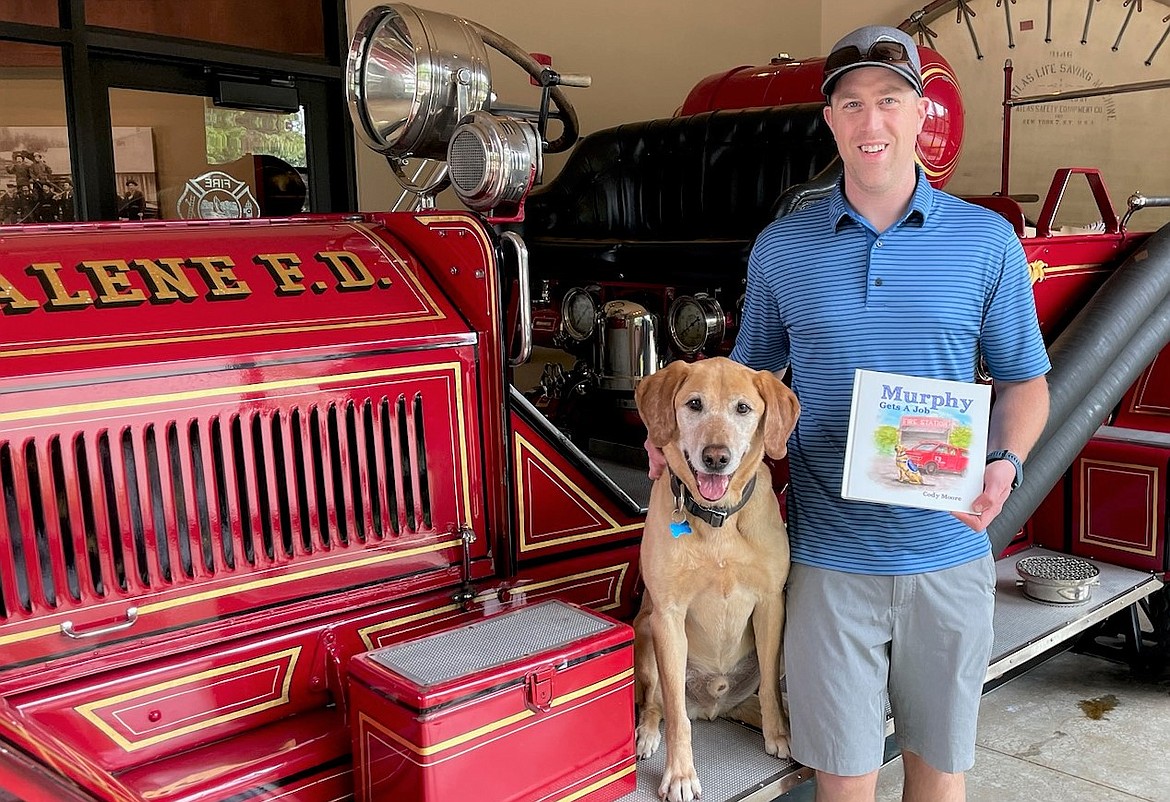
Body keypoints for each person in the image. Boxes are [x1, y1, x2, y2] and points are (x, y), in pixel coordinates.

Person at [646, 24, 1050, 802]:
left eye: (890, 101)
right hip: (827, 565)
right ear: (829, 120)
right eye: (852, 104)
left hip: (947, 558)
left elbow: (1025, 383)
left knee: (939, 774)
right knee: (842, 782)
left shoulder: (985, 241)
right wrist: (672, 434)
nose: (872, 123)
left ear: (919, 113)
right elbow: (747, 384)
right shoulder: (782, 249)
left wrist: (1006, 463)